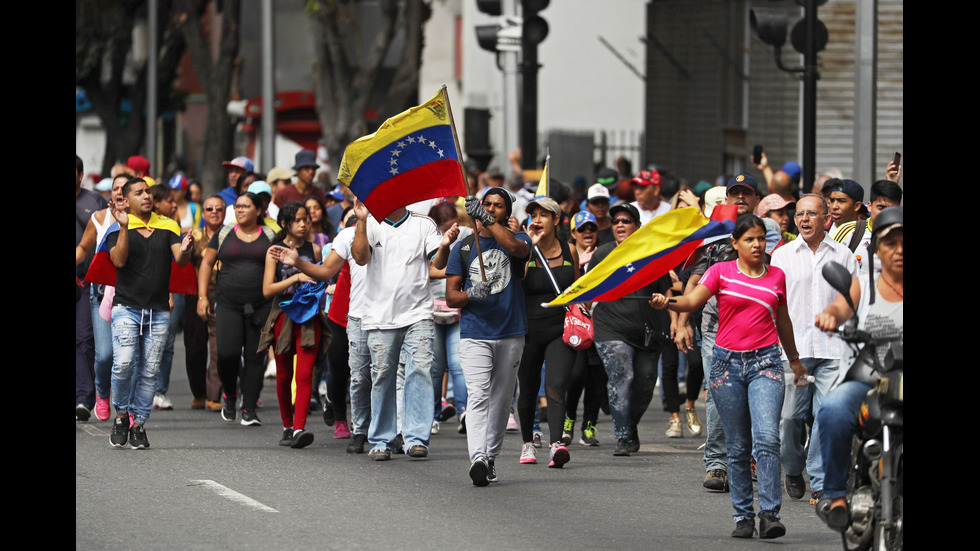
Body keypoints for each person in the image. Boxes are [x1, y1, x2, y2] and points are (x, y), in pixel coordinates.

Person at [651, 214, 808, 539]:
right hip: (727, 366)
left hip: (766, 364)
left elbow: (784, 321)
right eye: (749, 239)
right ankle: (743, 516)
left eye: (761, 239)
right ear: (734, 243)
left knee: (766, 438)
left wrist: (794, 360)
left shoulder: (776, 276)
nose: (756, 245)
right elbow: (692, 300)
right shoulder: (720, 272)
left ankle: (769, 514)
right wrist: (668, 302)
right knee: (737, 445)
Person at [814, 207, 903, 533]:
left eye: (904, 241)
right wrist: (830, 316)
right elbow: (840, 306)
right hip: (871, 377)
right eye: (890, 242)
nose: (899, 249)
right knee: (833, 410)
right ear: (876, 249)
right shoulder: (862, 283)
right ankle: (837, 496)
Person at [350, 198, 458, 461]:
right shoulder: (371, 223)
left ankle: (416, 439)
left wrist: (444, 245)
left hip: (418, 314)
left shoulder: (424, 224)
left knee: (420, 370)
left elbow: (439, 263)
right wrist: (362, 220)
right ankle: (381, 440)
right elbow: (360, 258)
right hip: (380, 316)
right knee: (383, 376)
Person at [771, 194, 859, 505]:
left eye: (812, 214)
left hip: (834, 349)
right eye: (800, 215)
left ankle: (821, 481)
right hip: (794, 350)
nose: (805, 220)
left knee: (827, 415)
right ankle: (793, 468)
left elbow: (853, 298)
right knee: (790, 418)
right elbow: (774, 303)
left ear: (827, 219)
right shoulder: (781, 257)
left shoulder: (844, 255)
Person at [446, 189, 532, 485]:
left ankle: (491, 456)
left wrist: (486, 220)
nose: (491, 209)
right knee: (478, 395)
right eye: (487, 205)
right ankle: (478, 458)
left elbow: (514, 248)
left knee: (501, 399)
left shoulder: (521, 239)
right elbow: (451, 297)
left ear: (507, 214)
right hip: (475, 334)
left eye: (498, 206)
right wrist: (470, 294)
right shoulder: (464, 247)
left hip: (510, 332)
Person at [106, 177, 194, 448]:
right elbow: (118, 261)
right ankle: (121, 414)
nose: (146, 196)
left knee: (149, 371)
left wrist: (188, 249)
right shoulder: (118, 226)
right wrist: (123, 227)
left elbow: (180, 259)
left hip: (157, 310)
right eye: (139, 192)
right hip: (126, 307)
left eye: (148, 192)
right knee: (123, 364)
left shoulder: (167, 224)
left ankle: (139, 424)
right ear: (127, 199)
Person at [591, 203, 672, 456]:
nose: (620, 225)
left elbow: (667, 291)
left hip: (649, 331)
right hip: (611, 327)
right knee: (621, 376)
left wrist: (665, 304)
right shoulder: (602, 254)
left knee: (646, 383)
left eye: (626, 220)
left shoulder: (653, 254)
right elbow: (587, 289)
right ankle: (623, 435)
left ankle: (630, 424)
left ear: (638, 226)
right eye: (615, 221)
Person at [197, 192, 276, 426]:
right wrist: (202, 297)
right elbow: (207, 263)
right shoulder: (224, 233)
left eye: (246, 206)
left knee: (255, 357)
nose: (240, 210)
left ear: (258, 211)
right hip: (228, 304)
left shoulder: (270, 235)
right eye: (238, 206)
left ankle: (249, 409)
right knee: (227, 354)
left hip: (261, 306)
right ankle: (230, 395)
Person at [515, 197, 580, 468]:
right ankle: (528, 443)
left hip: (559, 328)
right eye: (533, 215)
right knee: (528, 388)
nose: (537, 220)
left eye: (544, 215)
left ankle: (556, 445)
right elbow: (516, 281)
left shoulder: (571, 250)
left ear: (557, 220)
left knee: (556, 384)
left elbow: (577, 289)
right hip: (528, 328)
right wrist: (527, 246)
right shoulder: (523, 250)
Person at [259, 202, 329, 449]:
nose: (303, 224)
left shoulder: (315, 249)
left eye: (306, 219)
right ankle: (287, 426)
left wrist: (319, 286)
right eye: (298, 220)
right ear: (285, 224)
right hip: (283, 315)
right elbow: (267, 289)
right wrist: (297, 276)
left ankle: (300, 428)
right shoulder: (274, 251)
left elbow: (321, 278)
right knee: (284, 374)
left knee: (304, 374)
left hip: (309, 316)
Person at [76, 169, 119, 421]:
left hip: (90, 285)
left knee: (85, 341)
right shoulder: (98, 211)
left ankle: (85, 398)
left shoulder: (93, 202)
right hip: (98, 289)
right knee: (100, 351)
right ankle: (98, 393)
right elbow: (83, 247)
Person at [187, 195, 227, 411]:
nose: (214, 212)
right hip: (196, 295)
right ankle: (199, 393)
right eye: (209, 209)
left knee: (218, 346)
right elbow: (182, 262)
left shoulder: (231, 235)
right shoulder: (194, 236)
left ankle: (214, 394)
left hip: (222, 296)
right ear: (203, 213)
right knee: (194, 348)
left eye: (218, 209)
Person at [831, 179, 902, 278]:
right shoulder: (848, 231)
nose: (885, 213)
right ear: (869, 206)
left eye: (890, 209)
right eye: (880, 207)